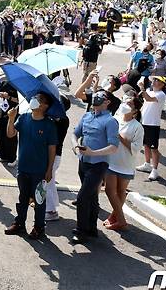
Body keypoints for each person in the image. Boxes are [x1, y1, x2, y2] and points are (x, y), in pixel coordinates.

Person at [4, 92, 58, 240]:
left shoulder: (49, 125)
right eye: (35, 98)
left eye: (38, 99)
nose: (34, 100)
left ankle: (39, 227)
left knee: (39, 200)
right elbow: (10, 134)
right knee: (23, 198)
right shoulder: (24, 118)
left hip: (39, 170)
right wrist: (11, 118)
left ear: (45, 106)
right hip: (23, 168)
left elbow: (52, 148)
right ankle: (19, 223)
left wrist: (49, 169)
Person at [72, 90, 119, 244]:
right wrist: (75, 146)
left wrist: (94, 153)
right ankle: (91, 228)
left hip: (98, 165)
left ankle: (81, 230)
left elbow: (113, 147)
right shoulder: (86, 116)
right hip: (83, 162)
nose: (96, 97)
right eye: (96, 95)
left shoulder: (110, 121)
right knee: (91, 196)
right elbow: (75, 134)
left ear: (107, 102)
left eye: (101, 96)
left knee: (82, 197)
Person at [104, 97, 143, 230]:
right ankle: (119, 219)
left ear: (135, 111)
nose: (126, 105)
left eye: (130, 104)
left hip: (126, 164)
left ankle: (116, 218)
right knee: (110, 191)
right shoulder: (116, 118)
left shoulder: (137, 127)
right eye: (126, 102)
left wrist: (120, 137)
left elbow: (136, 148)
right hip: (111, 161)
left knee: (120, 191)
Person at [136, 76, 166, 181]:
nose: (154, 81)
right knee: (146, 145)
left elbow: (148, 99)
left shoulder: (161, 95)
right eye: (154, 79)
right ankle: (147, 164)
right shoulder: (150, 91)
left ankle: (155, 170)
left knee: (154, 148)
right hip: (144, 122)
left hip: (153, 124)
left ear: (162, 84)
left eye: (157, 80)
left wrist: (141, 88)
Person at [45, 96, 70, 222]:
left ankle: (51, 211)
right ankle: (52, 205)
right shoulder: (54, 118)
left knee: (47, 181)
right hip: (51, 155)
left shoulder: (62, 120)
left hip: (54, 155)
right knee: (51, 181)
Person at [0, 80, 19, 165]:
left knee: (11, 135)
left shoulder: (18, 85)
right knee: (2, 133)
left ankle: (12, 158)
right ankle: (3, 156)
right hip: (3, 110)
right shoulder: (4, 83)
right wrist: (1, 95)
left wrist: (8, 97)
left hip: (13, 112)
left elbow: (18, 100)